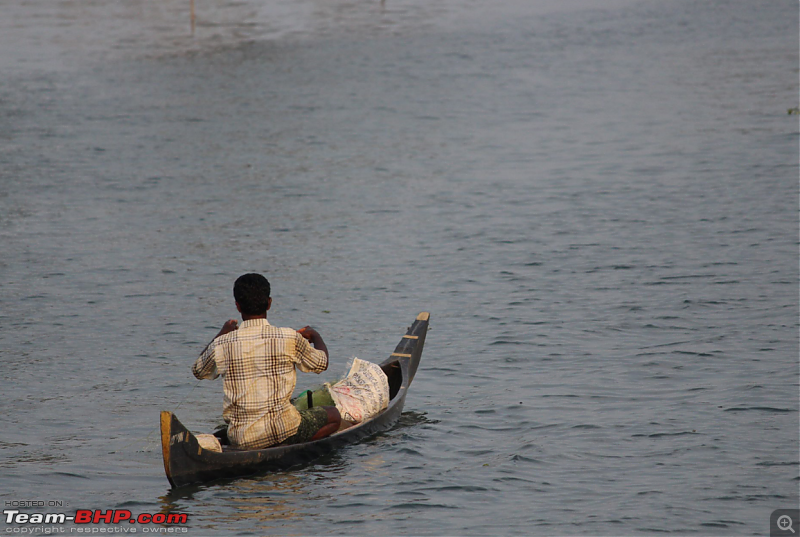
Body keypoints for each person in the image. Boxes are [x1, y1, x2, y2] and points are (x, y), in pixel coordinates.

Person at [192, 273, 341, 450]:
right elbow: (321, 363)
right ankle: (291, 446)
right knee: (334, 415)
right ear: (269, 303)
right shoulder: (289, 337)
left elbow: (199, 370)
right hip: (283, 430)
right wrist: (315, 335)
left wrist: (221, 334)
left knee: (222, 432)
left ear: (238, 306)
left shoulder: (222, 343)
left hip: (242, 439)